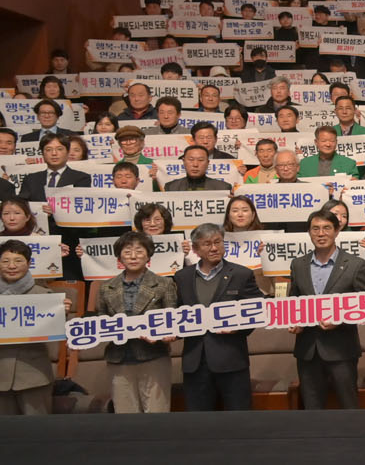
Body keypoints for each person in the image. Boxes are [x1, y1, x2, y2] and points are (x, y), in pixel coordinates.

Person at [172, 223, 264, 411]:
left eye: (218, 242)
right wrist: (172, 333)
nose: (214, 248)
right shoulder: (182, 277)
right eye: (207, 244)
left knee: (239, 418)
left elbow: (259, 309)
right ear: (195, 249)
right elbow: (177, 313)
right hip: (195, 361)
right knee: (199, 420)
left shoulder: (241, 274)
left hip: (231, 359)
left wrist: (239, 327)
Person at [287, 210, 365, 409]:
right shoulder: (298, 264)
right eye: (315, 229)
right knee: (312, 408)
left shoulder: (355, 265)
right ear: (309, 232)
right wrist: (295, 322)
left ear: (337, 231)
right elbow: (294, 301)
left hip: (342, 349)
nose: (321, 233)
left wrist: (341, 320)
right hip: (307, 349)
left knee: (349, 406)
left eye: (326, 228)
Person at [95, 231, 179, 413]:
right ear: (119, 257)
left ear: (148, 256)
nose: (133, 256)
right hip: (119, 358)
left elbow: (174, 319)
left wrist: (164, 335)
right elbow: (101, 318)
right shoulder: (106, 287)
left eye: (139, 251)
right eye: (127, 252)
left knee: (157, 414)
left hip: (154, 356)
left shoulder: (164, 284)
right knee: (125, 415)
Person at [0, 239, 71, 414]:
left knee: (38, 427)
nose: (11, 266)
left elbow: (60, 330)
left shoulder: (44, 295)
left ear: (29, 263)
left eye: (18, 261)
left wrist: (63, 312)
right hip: (1, 374)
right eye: (5, 261)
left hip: (34, 375)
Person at [162, 145, 232, 192]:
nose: (195, 164)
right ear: (183, 161)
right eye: (191, 159)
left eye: (200, 160)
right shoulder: (171, 187)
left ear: (207, 163)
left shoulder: (223, 188)